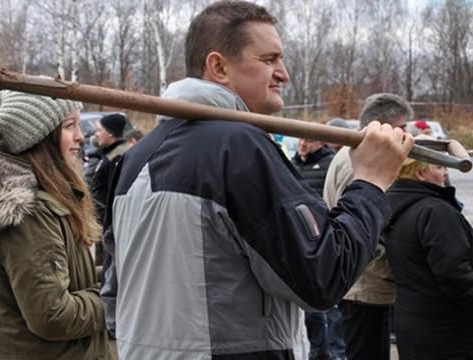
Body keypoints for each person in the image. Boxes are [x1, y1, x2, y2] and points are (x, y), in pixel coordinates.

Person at [100, 2, 413, 359]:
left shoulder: (138, 155)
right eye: (269, 59)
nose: (284, 73)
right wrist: (370, 183)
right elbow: (323, 275)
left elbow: (112, 295)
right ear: (218, 66)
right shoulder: (237, 147)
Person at [0, 87, 111, 359]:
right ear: (37, 138)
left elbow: (62, 279)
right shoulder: (28, 213)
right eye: (69, 126)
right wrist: (113, 298)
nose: (81, 136)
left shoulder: (43, 198)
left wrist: (113, 276)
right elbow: (52, 315)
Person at [323, 93, 413, 360]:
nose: (406, 137)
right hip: (365, 288)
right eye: (402, 128)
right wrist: (393, 270)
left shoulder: (357, 153)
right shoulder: (363, 161)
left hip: (365, 286)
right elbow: (361, 228)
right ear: (380, 125)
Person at [384, 140, 473, 359]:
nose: (445, 174)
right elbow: (455, 275)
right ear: (419, 174)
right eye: (439, 167)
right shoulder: (435, 211)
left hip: (412, 323)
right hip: (446, 330)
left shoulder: (395, 209)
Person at [291, 139, 345, 360]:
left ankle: (336, 351)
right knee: (309, 306)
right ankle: (318, 350)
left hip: (323, 241)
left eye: (309, 140)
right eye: (301, 140)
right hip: (299, 243)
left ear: (321, 142)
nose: (303, 145)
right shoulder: (291, 165)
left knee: (331, 305)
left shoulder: (330, 164)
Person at [89, 113, 130, 266]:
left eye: (99, 130)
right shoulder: (108, 154)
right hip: (103, 223)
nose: (96, 134)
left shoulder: (118, 156)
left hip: (111, 226)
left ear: (110, 132)